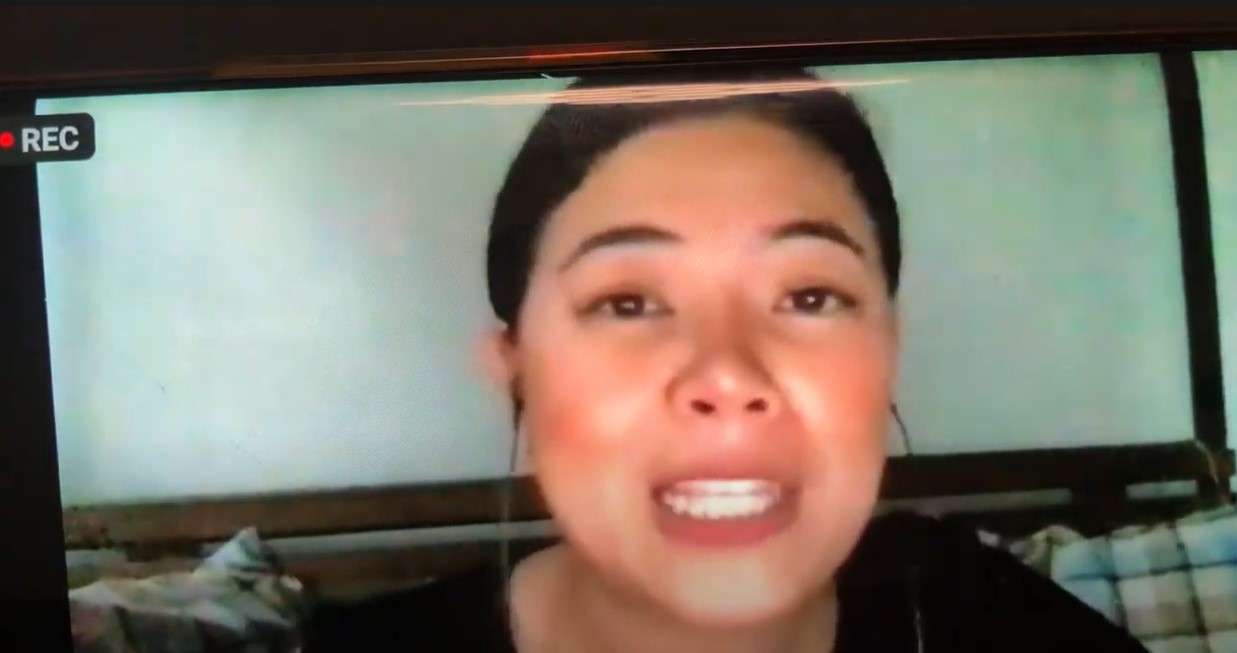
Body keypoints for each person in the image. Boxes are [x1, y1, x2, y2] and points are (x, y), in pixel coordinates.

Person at [304, 67, 1148, 653]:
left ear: (888, 348)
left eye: (808, 296)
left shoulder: (991, 617)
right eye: (627, 302)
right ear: (514, 362)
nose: (728, 376)